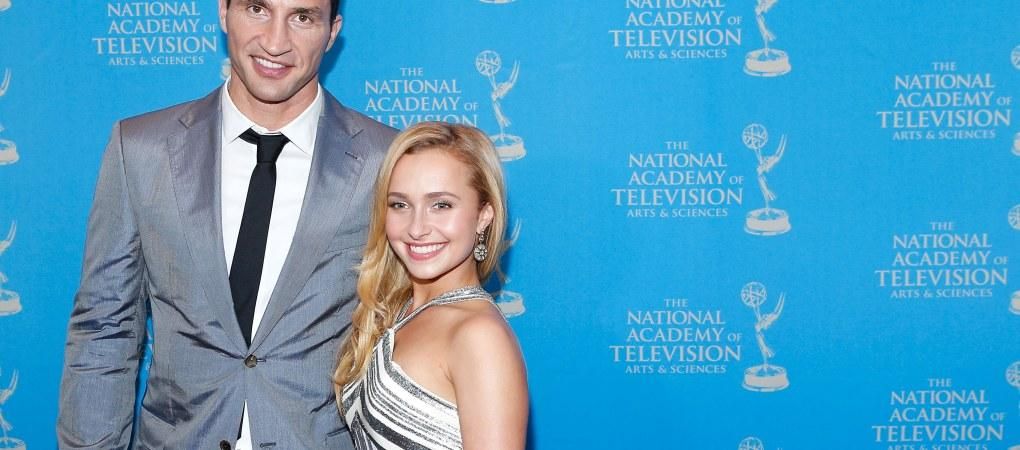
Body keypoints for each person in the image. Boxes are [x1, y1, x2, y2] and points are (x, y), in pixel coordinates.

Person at [57, 0, 395, 447]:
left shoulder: (386, 161)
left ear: (332, 32)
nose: (275, 41)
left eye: (302, 17)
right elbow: (104, 328)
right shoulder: (141, 149)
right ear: (223, 12)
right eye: (257, 9)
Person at [334, 122, 528, 449]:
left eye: (441, 205)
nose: (417, 228)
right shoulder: (399, 310)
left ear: (484, 216)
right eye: (400, 204)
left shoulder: (478, 336)